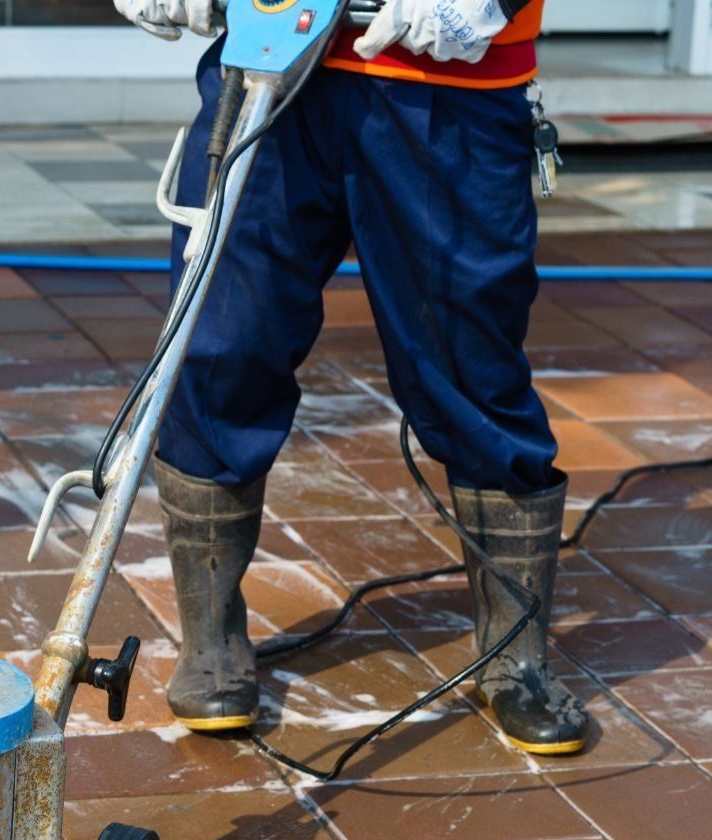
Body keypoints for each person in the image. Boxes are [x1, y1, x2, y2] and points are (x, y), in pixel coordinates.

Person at [114, 0, 591, 756]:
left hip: (443, 87)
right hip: (269, 63)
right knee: (219, 341)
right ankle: (211, 644)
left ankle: (515, 657)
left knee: (473, 368)